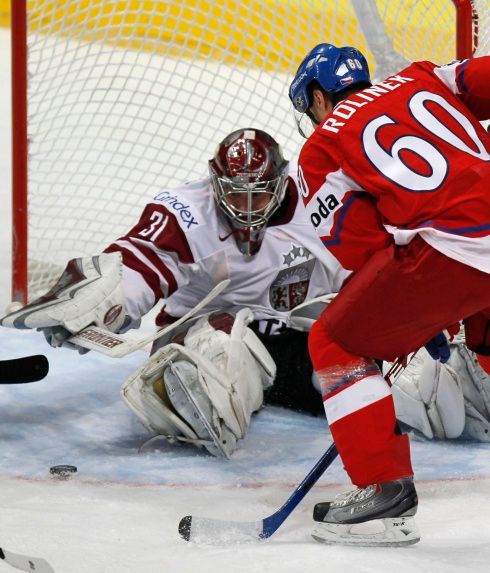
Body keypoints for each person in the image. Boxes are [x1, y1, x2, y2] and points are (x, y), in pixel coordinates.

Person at [0, 128, 349, 458]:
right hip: (208, 335)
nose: (245, 206)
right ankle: (190, 389)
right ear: (215, 182)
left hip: (298, 346)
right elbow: (140, 264)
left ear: (280, 183)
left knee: (377, 372)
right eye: (234, 193)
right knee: (215, 367)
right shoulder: (188, 211)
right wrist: (103, 306)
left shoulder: (321, 205)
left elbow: (365, 274)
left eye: (256, 195)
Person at [288, 43, 490, 546]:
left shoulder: (321, 148)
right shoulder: (426, 77)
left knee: (336, 342)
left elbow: (363, 247)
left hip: (458, 248)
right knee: (486, 336)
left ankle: (382, 491)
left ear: (317, 97)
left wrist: (416, 321)